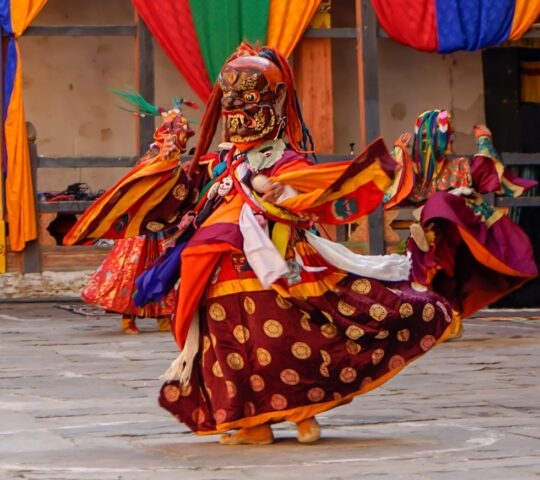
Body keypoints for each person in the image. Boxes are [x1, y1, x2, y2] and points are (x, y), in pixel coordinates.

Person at [154, 43, 460, 445]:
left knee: (292, 339)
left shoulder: (288, 161)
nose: (238, 112)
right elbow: (188, 197)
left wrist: (276, 193)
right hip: (220, 275)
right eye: (230, 100)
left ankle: (303, 417)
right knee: (233, 348)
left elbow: (306, 202)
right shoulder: (223, 161)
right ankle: (253, 423)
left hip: (281, 268)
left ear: (277, 99)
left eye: (248, 99)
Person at [384, 110, 538, 336]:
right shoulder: (418, 173)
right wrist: (398, 152)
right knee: (436, 263)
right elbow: (392, 185)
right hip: (440, 234)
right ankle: (445, 317)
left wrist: (484, 140)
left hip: (464, 231)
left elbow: (485, 174)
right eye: (448, 136)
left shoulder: (461, 166)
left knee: (441, 203)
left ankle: (429, 239)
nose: (451, 140)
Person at [63, 91, 196, 334]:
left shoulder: (174, 162)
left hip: (163, 229)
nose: (181, 141)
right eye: (180, 136)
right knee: (132, 272)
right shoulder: (152, 159)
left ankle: (163, 316)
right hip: (140, 228)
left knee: (161, 269)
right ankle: (128, 318)